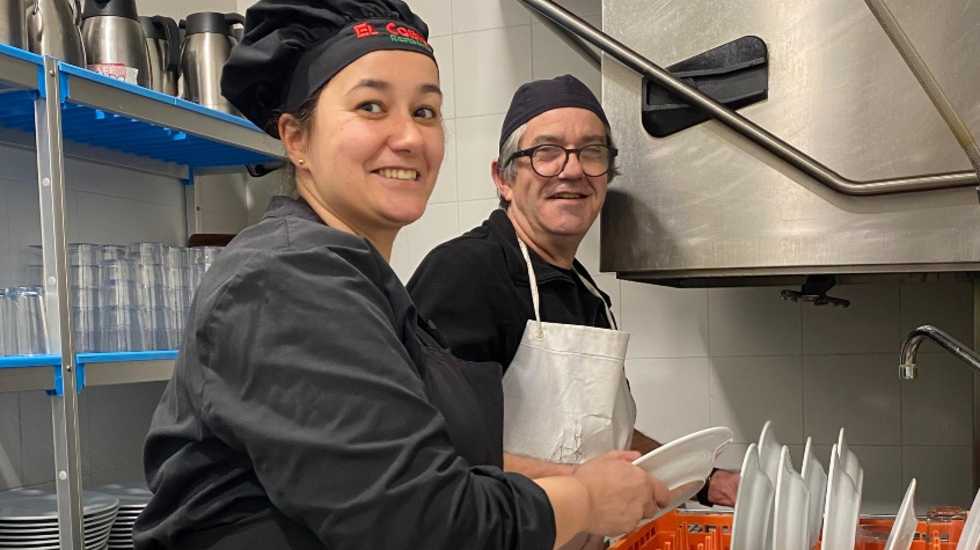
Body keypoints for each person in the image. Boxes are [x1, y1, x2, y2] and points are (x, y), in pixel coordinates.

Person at [132, 3, 669, 550]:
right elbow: (424, 526)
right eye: (371, 106)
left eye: (426, 111)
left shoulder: (364, 284)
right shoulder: (286, 280)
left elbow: (436, 471)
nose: (409, 137)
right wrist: (585, 501)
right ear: (296, 139)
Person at [407, 75, 740, 516]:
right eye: (545, 153)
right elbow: (437, 453)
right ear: (503, 179)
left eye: (591, 152)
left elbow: (603, 442)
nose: (572, 169)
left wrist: (705, 481)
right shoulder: (467, 272)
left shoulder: (588, 295)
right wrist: (580, 488)